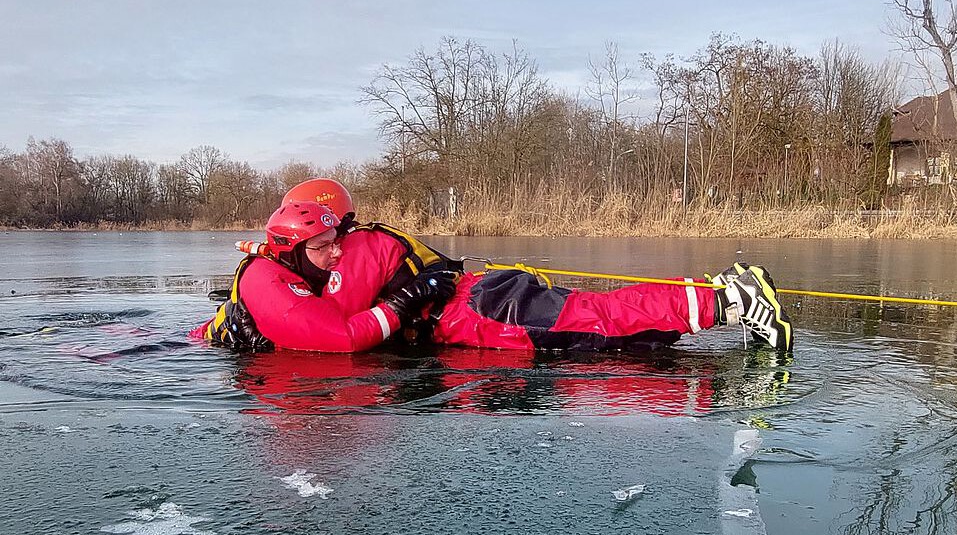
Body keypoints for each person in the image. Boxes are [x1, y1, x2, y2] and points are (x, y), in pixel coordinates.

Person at [192, 184, 793, 355]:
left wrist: (255, 324)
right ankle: (718, 302)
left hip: (479, 314)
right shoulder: (348, 249)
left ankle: (729, 301)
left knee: (598, 320)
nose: (332, 251)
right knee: (598, 321)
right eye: (321, 243)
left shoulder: (353, 251)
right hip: (478, 303)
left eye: (333, 237)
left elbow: (339, 330)